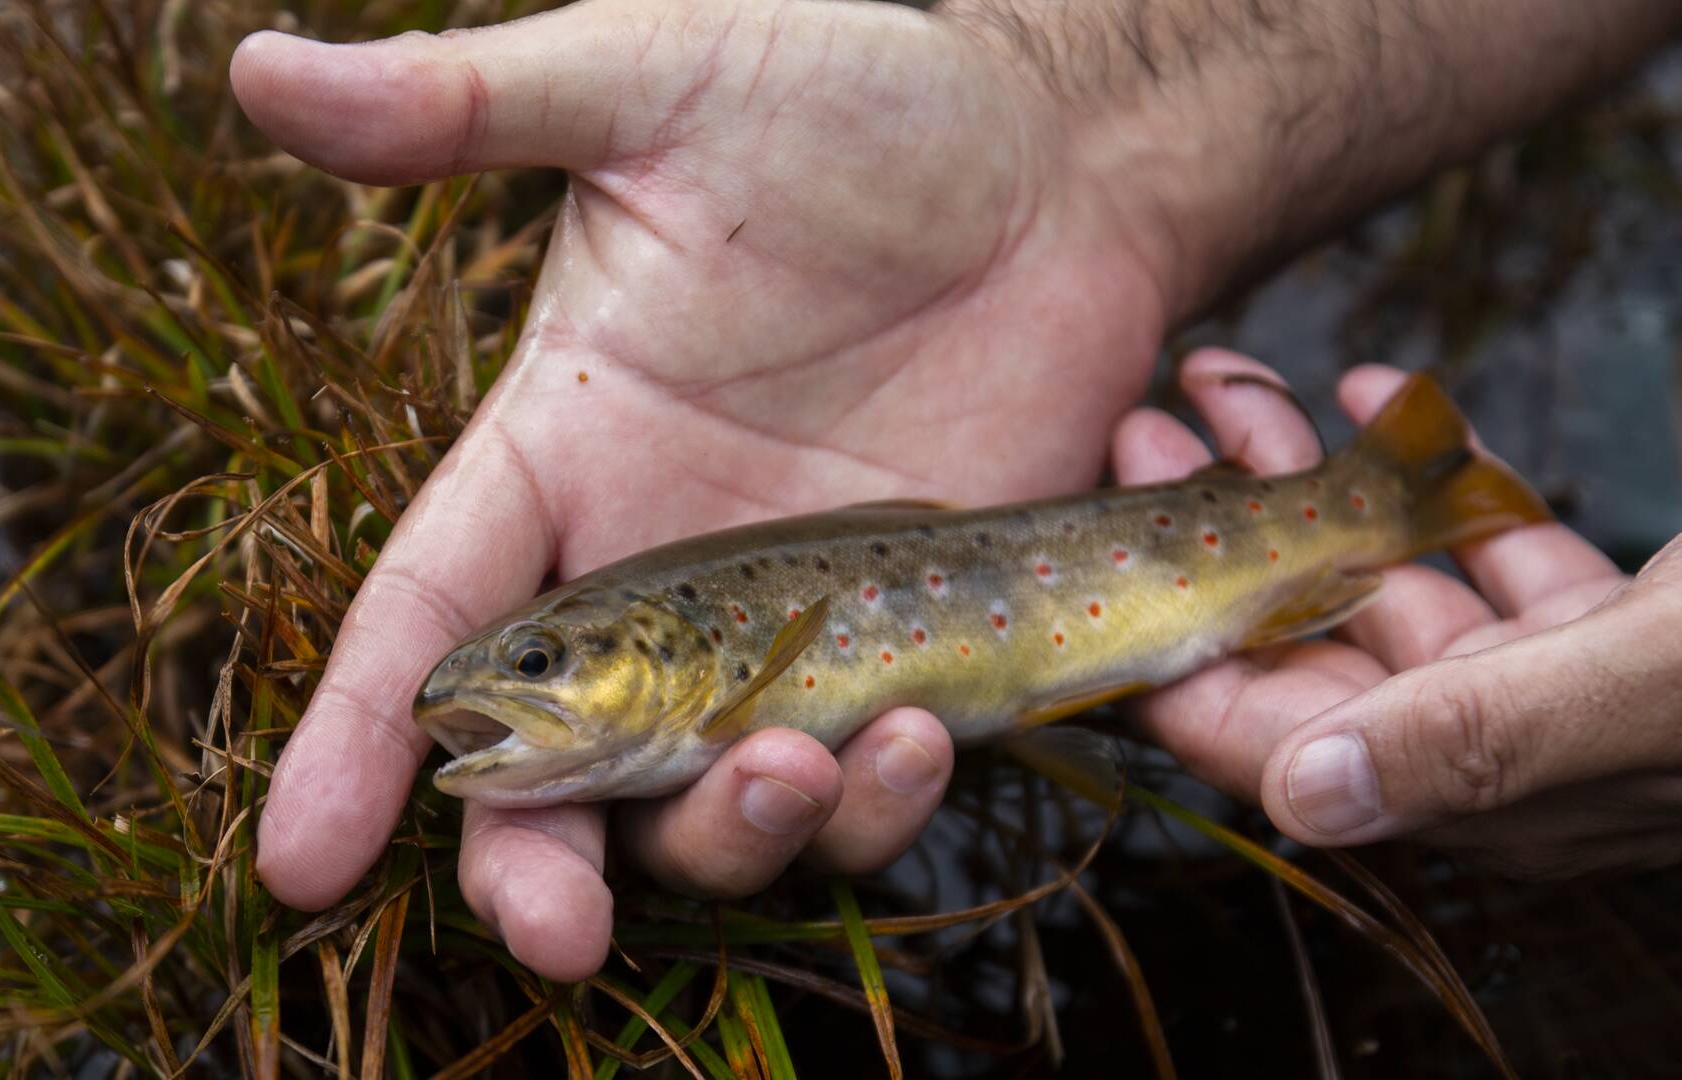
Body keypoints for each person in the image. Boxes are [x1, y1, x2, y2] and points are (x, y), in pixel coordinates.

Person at [228, 0, 1682, 981]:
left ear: (671, 658)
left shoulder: (734, 676)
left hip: (1138, 559)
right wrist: (1081, 139)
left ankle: (1397, 499)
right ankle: (1388, 501)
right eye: (525, 669)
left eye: (540, 662)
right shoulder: (701, 686)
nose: (497, 698)